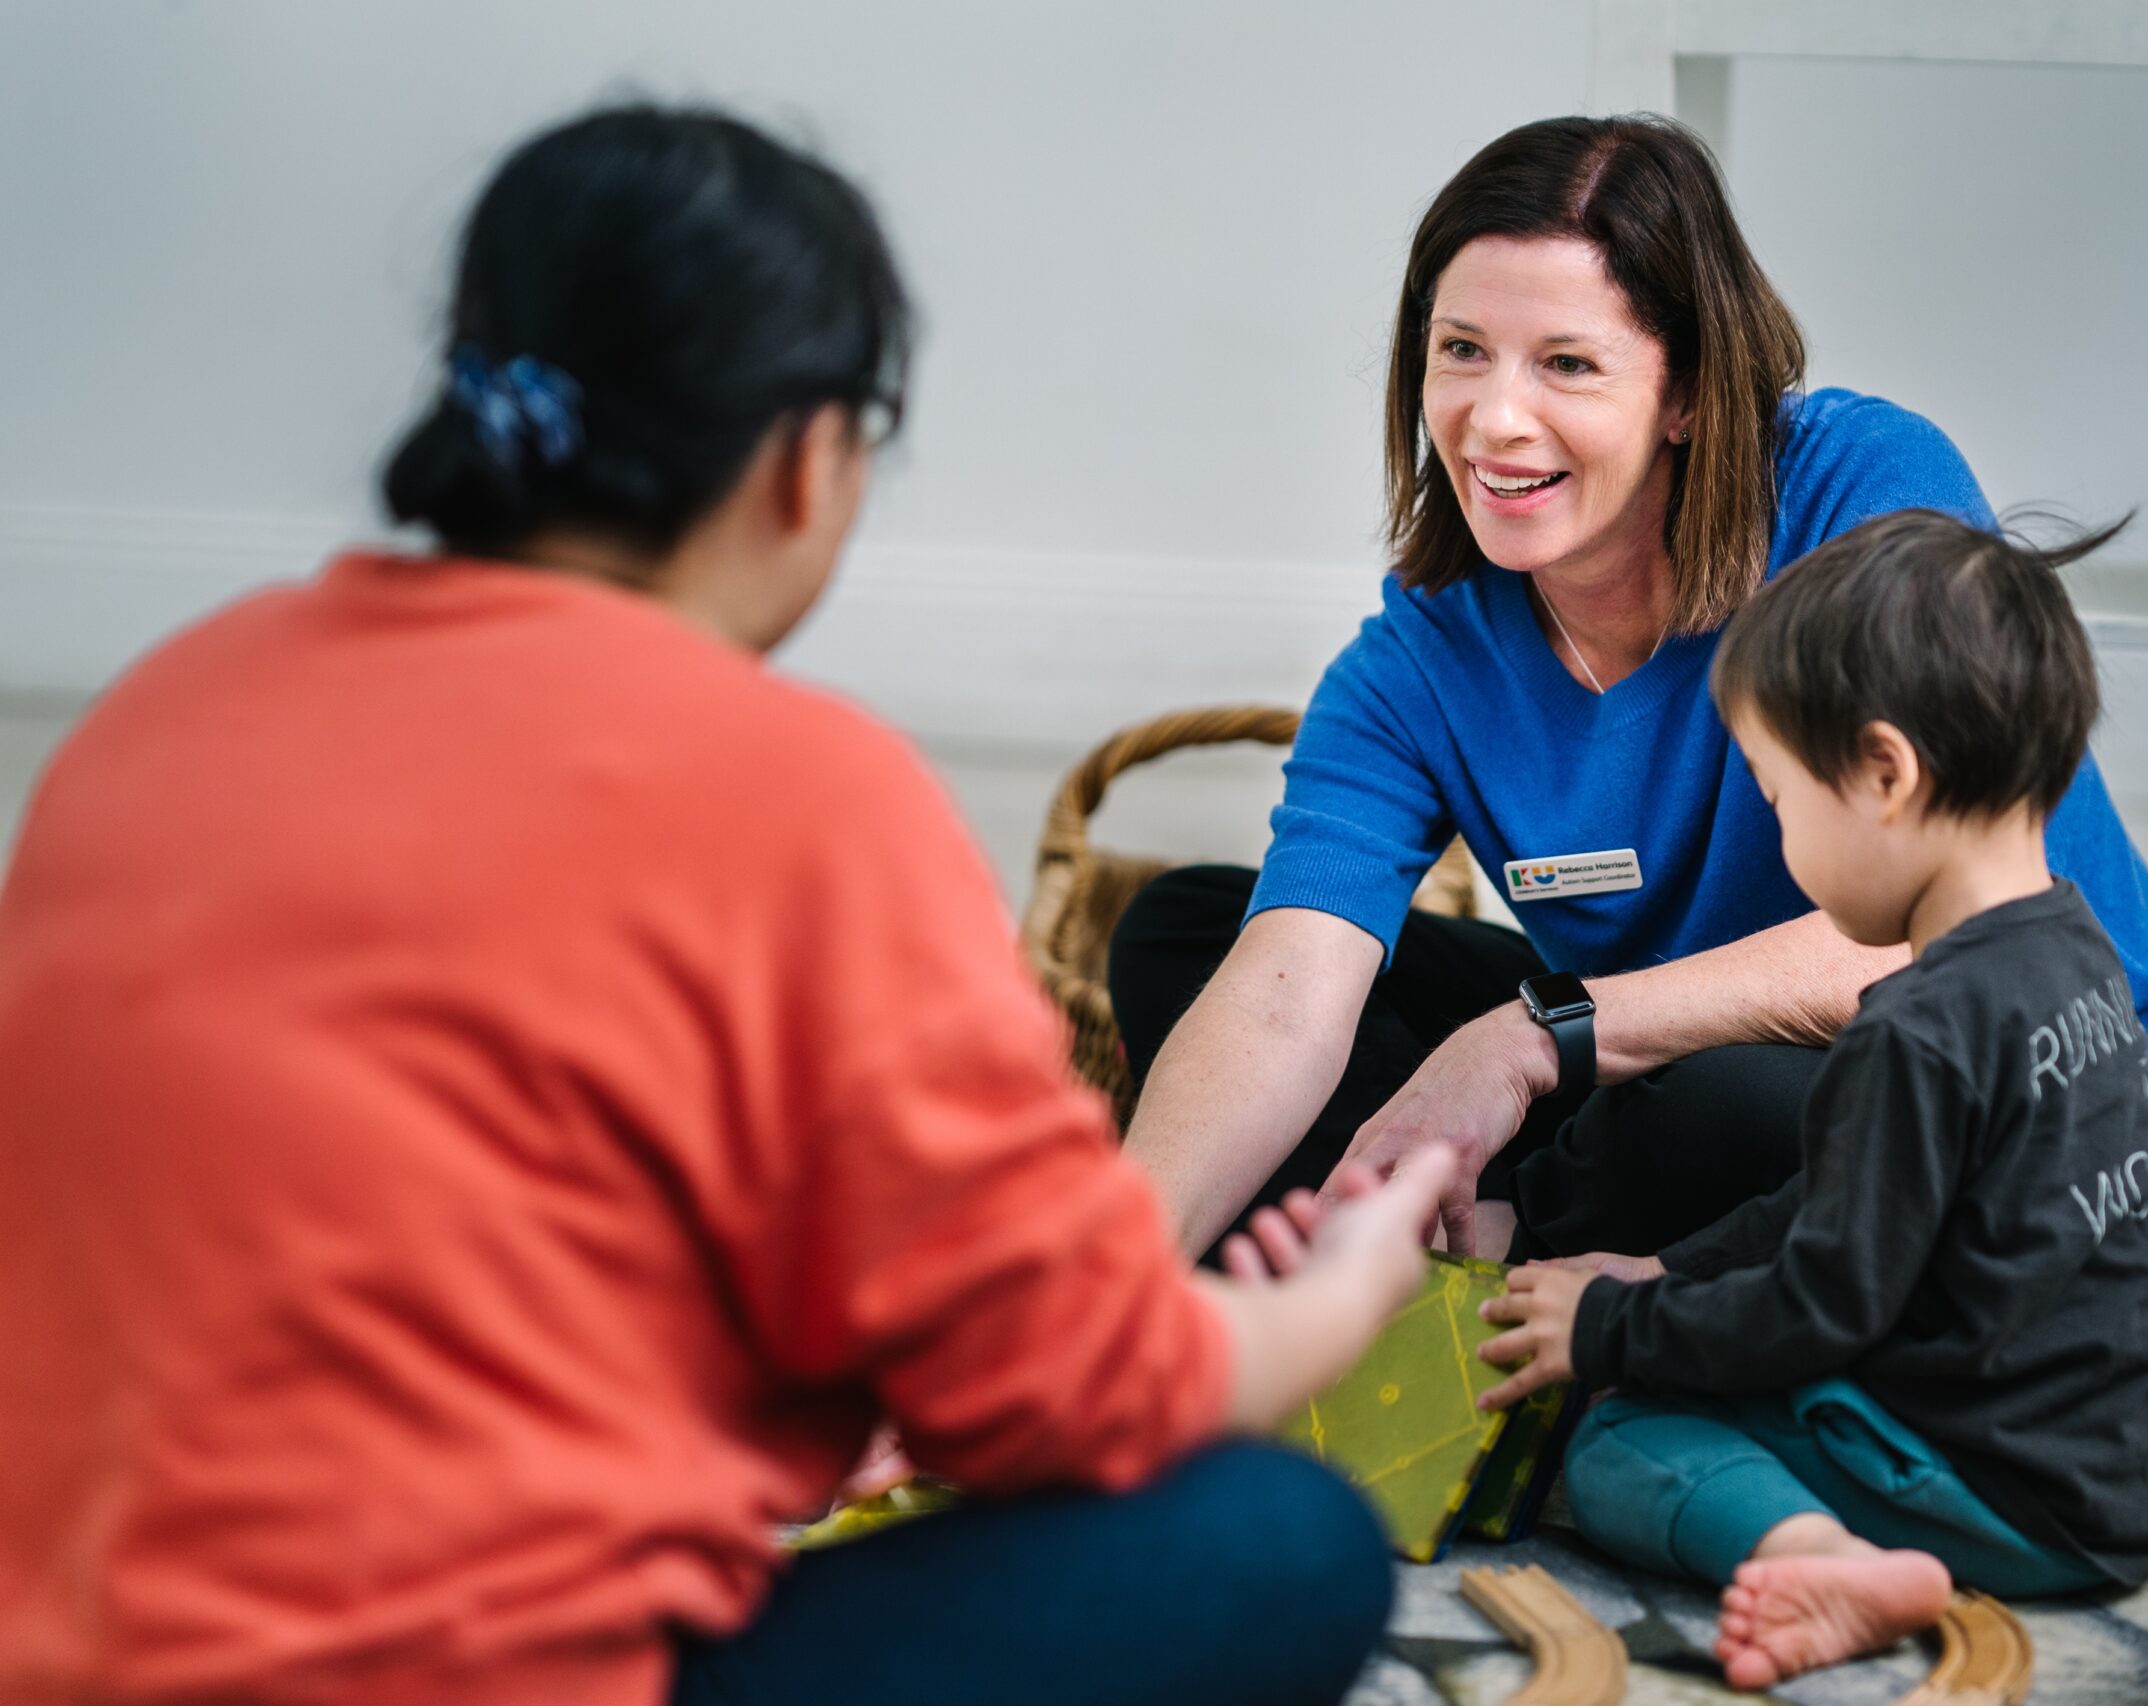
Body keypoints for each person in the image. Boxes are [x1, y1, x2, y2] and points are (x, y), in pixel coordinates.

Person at [0, 105, 1452, 1706]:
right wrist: (1341, 1292)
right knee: (1276, 1537)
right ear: (808, 453)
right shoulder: (798, 793)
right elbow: (1078, 1396)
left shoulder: (168, 708)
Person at [1108, 114, 2148, 1266]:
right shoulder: (1419, 654)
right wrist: (1097, 1277)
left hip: (2052, 1109)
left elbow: (1950, 941)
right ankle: (1460, 1237)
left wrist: (1529, 1040)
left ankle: (1493, 1246)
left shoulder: (1863, 494)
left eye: (1567, 363)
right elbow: (1285, 996)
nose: (1493, 419)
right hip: (1649, 1068)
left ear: (1685, 390)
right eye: (1461, 349)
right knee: (1183, 931)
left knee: (1730, 1107)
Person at [1466, 509, 2148, 1688]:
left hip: (2028, 1495)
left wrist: (1613, 1331)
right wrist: (1665, 1275)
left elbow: (1820, 1305)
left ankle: (1824, 1558)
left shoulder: (1914, 1029)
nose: (1781, 842)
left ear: (1883, 772)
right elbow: (1834, 1202)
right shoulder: (2071, 947)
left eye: (1779, 800)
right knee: (1703, 1331)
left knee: (1628, 1433)